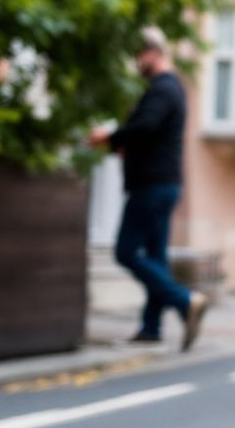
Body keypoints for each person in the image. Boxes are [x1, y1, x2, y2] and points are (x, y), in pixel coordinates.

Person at [89, 27, 208, 351]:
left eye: (139, 55)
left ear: (153, 53)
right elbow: (149, 133)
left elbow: (145, 127)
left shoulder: (162, 89)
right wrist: (122, 144)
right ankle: (151, 327)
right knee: (155, 256)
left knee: (125, 251)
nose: (137, 62)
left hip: (152, 186)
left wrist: (111, 138)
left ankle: (185, 301)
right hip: (163, 183)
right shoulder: (171, 89)